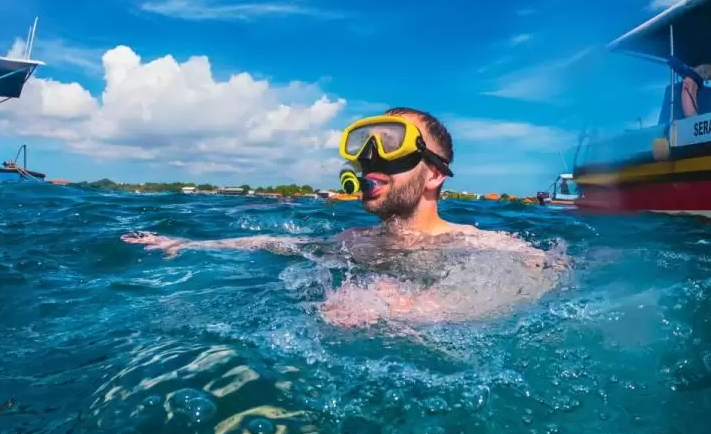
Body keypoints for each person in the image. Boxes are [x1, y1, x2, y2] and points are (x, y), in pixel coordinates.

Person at [123, 108, 566, 324]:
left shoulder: (479, 244)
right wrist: (190, 245)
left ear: (433, 175)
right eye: (364, 145)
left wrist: (415, 309)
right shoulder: (353, 240)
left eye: (392, 144)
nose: (370, 160)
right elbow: (280, 244)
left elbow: (550, 275)